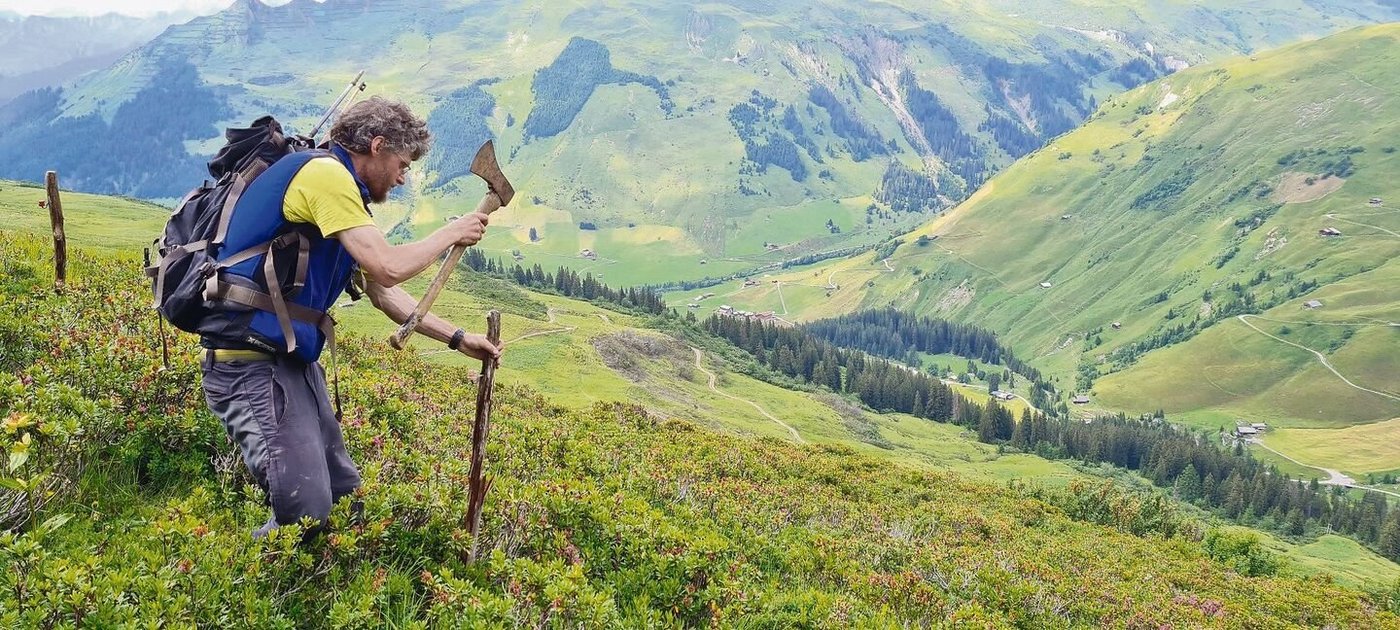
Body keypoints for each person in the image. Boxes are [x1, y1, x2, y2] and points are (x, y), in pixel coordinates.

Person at [200, 96, 500, 539]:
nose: (403, 176)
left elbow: (383, 292)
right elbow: (387, 266)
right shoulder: (325, 177)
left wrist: (458, 338)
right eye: (402, 163)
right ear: (377, 146)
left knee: (343, 495)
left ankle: (315, 574)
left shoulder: (341, 193)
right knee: (305, 509)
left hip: (291, 362)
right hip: (247, 364)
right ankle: (238, 572)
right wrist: (453, 230)